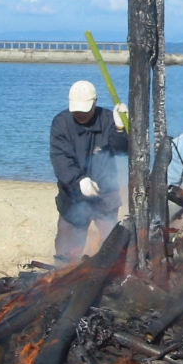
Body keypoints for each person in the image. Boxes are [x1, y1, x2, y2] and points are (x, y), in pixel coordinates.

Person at [50, 80, 129, 264]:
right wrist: (79, 181)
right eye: (76, 109)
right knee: (66, 250)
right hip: (73, 195)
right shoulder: (61, 124)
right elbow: (61, 160)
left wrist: (120, 129)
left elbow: (123, 150)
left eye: (84, 109)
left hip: (105, 196)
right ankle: (62, 274)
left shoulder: (108, 119)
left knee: (110, 244)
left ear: (95, 102)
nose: (80, 114)